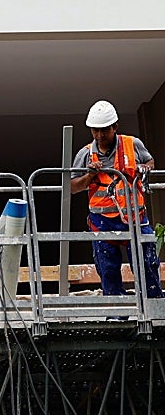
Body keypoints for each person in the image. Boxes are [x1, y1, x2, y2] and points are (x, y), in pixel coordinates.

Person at [69, 100, 162, 298]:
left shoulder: (132, 144)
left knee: (146, 263)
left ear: (115, 127)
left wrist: (145, 167)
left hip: (135, 218)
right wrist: (89, 176)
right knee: (108, 267)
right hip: (103, 222)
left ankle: (154, 306)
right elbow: (73, 187)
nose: (100, 135)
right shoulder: (85, 154)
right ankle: (116, 313)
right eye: (95, 131)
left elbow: (149, 161)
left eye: (104, 130)